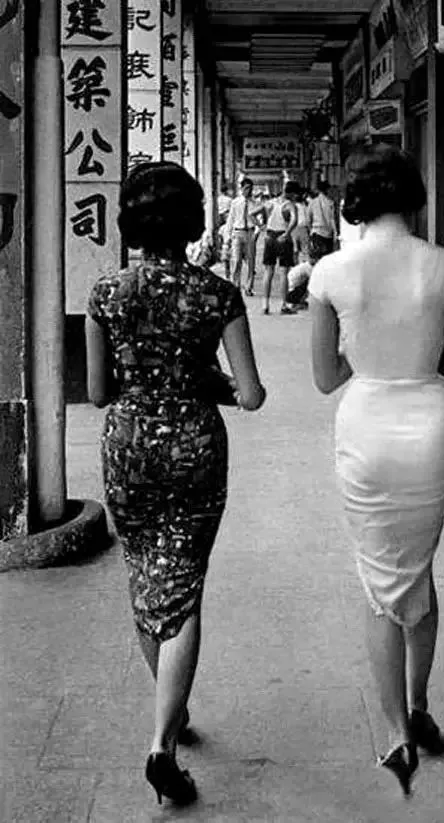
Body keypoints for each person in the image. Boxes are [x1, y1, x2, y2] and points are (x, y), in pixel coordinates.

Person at [308, 144, 444, 797]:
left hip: (366, 427)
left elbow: (326, 376)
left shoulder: (330, 272)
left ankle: (395, 734)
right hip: (431, 427)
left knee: (378, 579)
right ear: (415, 196)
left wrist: (371, 356)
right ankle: (419, 704)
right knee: (419, 567)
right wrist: (429, 359)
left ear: (355, 200)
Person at [85, 161, 266, 807]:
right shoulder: (218, 295)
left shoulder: (106, 294)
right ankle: (162, 742)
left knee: (145, 577)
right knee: (184, 585)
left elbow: (99, 391)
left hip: (129, 447)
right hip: (194, 450)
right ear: (192, 223)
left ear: (130, 224)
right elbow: (251, 394)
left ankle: (172, 704)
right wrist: (212, 381)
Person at [262, 180, 300, 315]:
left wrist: (263, 227)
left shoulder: (270, 203)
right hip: (283, 238)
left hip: (270, 237)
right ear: (292, 193)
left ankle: (265, 305)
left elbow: (253, 213)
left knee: (268, 271)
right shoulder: (289, 205)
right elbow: (294, 220)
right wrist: (287, 233)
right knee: (283, 273)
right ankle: (283, 305)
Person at [222, 177, 258, 294]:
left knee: (251, 262)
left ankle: (248, 287)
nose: (249, 191)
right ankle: (236, 286)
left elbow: (259, 220)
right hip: (237, 233)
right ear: (241, 189)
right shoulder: (235, 202)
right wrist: (227, 238)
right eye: (246, 188)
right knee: (237, 260)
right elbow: (230, 220)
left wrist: (256, 233)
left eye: (250, 188)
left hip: (250, 233)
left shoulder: (255, 203)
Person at [307, 178, 338, 264]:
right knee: (327, 261)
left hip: (316, 233)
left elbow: (308, 220)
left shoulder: (312, 202)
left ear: (318, 190)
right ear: (327, 189)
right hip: (328, 234)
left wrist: (311, 231)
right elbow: (332, 219)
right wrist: (335, 233)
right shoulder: (331, 202)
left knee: (316, 260)